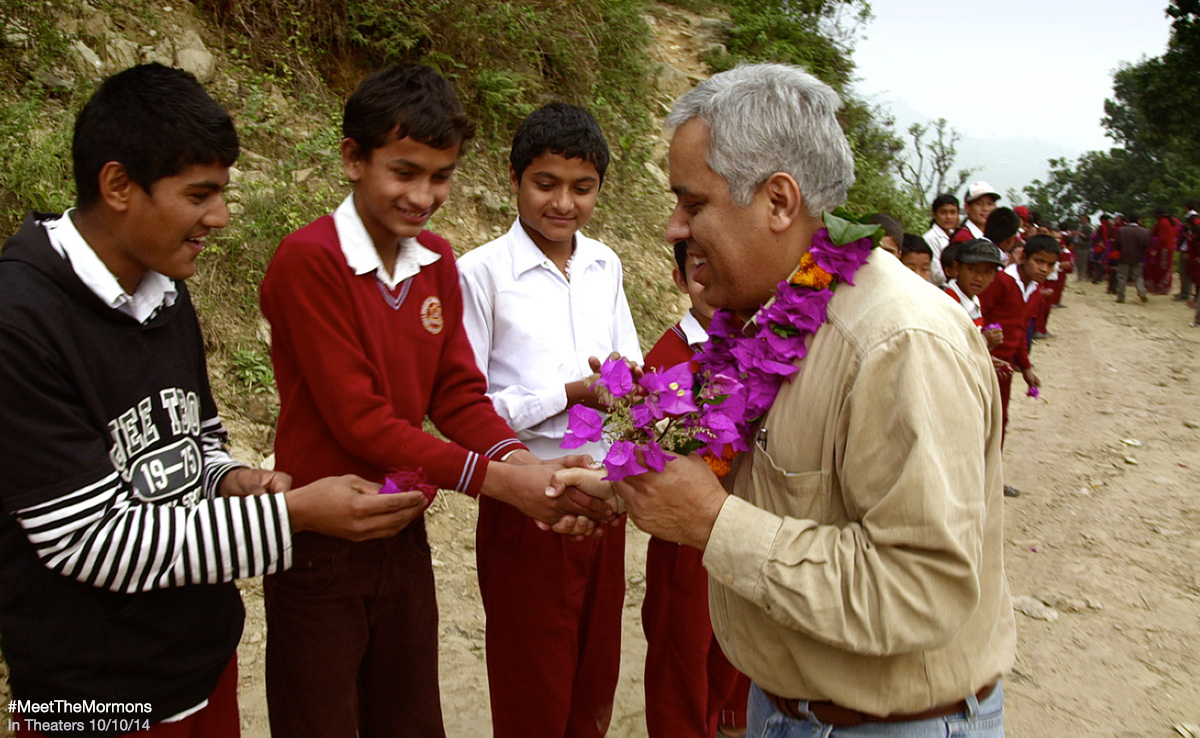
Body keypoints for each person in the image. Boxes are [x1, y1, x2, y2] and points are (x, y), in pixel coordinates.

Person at [562, 62, 1014, 738]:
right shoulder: (765, 318)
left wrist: (714, 523)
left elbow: (920, 593)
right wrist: (629, 485)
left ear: (778, 201)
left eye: (693, 204)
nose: (672, 229)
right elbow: (762, 474)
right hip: (782, 709)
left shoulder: (898, 343)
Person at [0, 63, 424, 738]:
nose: (220, 218)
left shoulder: (164, 289)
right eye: (200, 195)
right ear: (118, 185)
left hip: (197, 667)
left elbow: (190, 436)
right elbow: (89, 540)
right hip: (91, 695)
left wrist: (229, 479)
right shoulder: (21, 322)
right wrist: (292, 518)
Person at [259, 67, 607, 738]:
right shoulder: (310, 260)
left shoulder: (436, 261)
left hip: (402, 526)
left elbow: (456, 394)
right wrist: (502, 481)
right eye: (404, 172)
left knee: (410, 717)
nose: (423, 196)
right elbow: (361, 420)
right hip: (322, 536)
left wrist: (518, 460)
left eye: (441, 176)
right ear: (352, 159)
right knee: (320, 718)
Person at [457, 102, 642, 738]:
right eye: (546, 184)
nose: (563, 203)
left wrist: (621, 392)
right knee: (533, 670)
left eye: (582, 188)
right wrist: (568, 392)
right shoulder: (480, 273)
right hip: (528, 491)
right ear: (514, 180)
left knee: (595, 663)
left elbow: (628, 367)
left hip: (599, 485)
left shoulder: (604, 265)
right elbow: (467, 403)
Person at [637, 240, 751, 738]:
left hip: (743, 524)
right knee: (681, 656)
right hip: (686, 539)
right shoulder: (667, 357)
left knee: (732, 651)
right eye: (698, 272)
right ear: (680, 279)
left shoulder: (754, 347)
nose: (712, 283)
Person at [979, 211, 1044, 497]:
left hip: (1005, 369)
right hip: (984, 361)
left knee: (1000, 419)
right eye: (1039, 261)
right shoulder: (1002, 281)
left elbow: (1018, 329)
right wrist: (983, 350)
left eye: (1049, 265)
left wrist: (1026, 367)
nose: (1044, 269)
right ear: (1023, 256)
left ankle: (991, 476)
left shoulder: (1036, 291)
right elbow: (978, 315)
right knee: (978, 418)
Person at [1114, 212, 1151, 303]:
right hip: (1138, 256)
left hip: (1124, 256)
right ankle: (1141, 292)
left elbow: (1117, 244)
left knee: (1122, 277)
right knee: (1138, 276)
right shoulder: (1144, 231)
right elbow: (1147, 244)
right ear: (1138, 220)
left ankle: (1121, 297)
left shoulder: (1122, 230)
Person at [923, 192, 958, 285]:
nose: (949, 217)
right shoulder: (930, 238)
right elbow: (936, 274)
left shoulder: (955, 235)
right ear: (934, 214)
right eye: (944, 212)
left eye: (953, 212)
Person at [1146, 206, 1179, 295]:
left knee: (1161, 268)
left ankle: (1160, 287)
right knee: (1167, 267)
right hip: (1171, 247)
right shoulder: (1175, 220)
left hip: (1164, 248)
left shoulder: (1162, 222)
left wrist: (1155, 249)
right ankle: (1165, 287)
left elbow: (1162, 238)